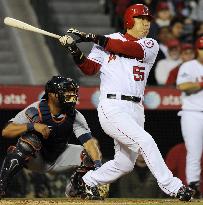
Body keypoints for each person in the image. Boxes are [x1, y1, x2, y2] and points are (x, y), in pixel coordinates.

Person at [58, 3, 194, 201]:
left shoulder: (150, 45)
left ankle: (85, 181)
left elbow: (127, 49)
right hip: (112, 106)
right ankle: (173, 187)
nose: (146, 24)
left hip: (136, 108)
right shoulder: (108, 41)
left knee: (125, 164)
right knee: (145, 141)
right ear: (129, 20)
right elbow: (89, 69)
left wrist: (91, 37)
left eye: (148, 20)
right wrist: (73, 50)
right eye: (142, 19)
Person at [0, 76, 106, 200]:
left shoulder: (75, 115)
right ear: (51, 94)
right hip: (36, 159)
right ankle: (2, 185)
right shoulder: (35, 109)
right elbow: (6, 131)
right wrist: (32, 125)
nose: (71, 95)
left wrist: (98, 167)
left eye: (72, 91)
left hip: (59, 157)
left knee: (91, 152)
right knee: (28, 141)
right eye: (66, 91)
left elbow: (89, 142)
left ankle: (75, 188)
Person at [176, 36, 203, 198]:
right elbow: (183, 86)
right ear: (197, 50)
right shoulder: (189, 65)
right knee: (194, 152)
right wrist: (200, 84)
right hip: (193, 114)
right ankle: (193, 186)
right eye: (201, 48)